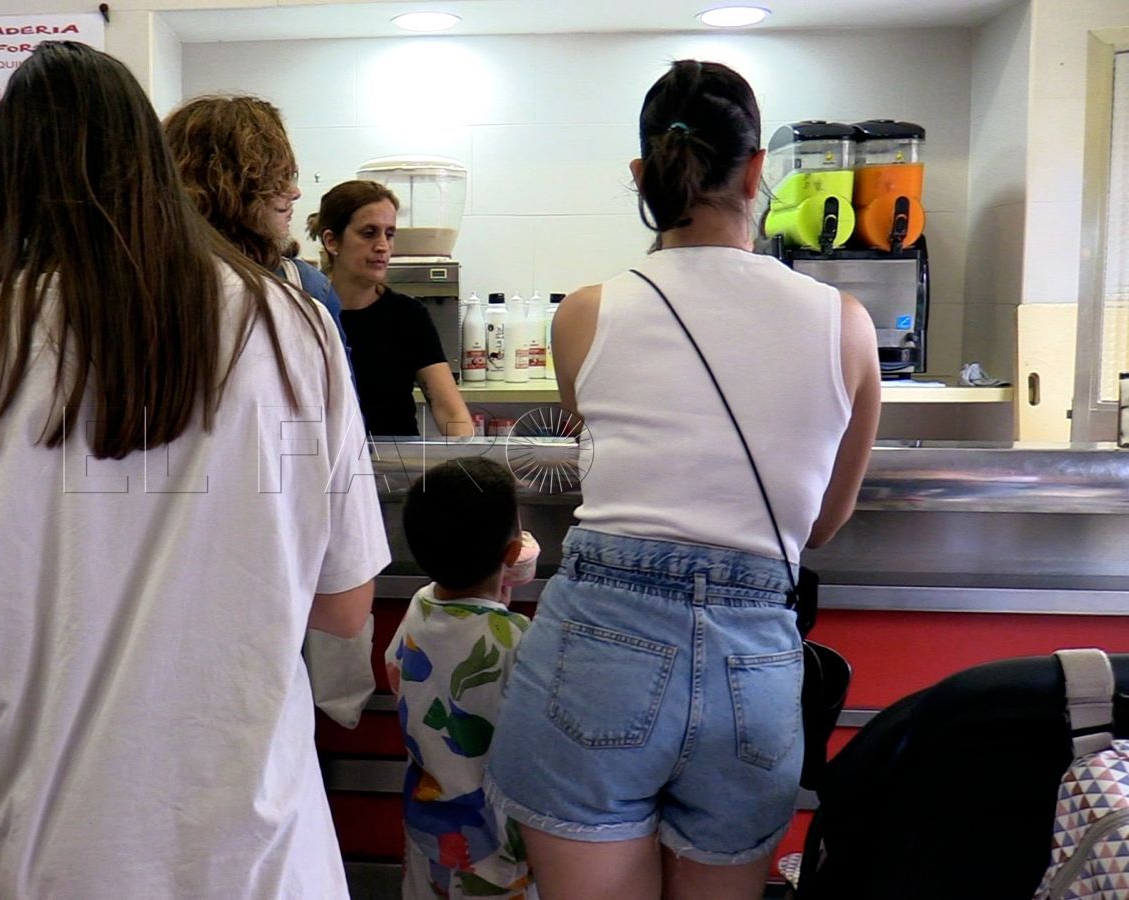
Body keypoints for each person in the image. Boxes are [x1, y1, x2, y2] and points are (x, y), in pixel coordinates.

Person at [0, 41, 389, 898]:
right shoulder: (293, 327)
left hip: (50, 857)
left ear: (11, 182)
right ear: (151, 161)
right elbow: (344, 603)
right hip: (261, 858)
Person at [484, 60, 882, 900]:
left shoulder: (585, 314)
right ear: (755, 171)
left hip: (598, 647)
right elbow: (821, 525)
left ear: (643, 174)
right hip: (755, 666)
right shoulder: (846, 327)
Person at [165, 94, 376, 730]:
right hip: (254, 668)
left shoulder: (109, 313)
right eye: (282, 178)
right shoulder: (301, 310)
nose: (293, 192)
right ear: (260, 192)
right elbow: (344, 601)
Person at [385, 457, 538, 900]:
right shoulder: (519, 640)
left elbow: (396, 668)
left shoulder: (418, 606)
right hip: (495, 846)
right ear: (513, 554)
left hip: (428, 833)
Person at [163, 95, 346, 340]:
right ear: (230, 187)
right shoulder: (304, 292)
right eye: (278, 179)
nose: (294, 192)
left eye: (291, 177)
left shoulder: (308, 287)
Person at [308, 181, 473, 437]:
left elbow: (450, 410)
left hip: (397, 468)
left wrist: (469, 467)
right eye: (369, 233)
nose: (383, 246)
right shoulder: (308, 315)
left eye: (390, 234)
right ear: (332, 241)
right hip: (328, 466)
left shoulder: (408, 316)